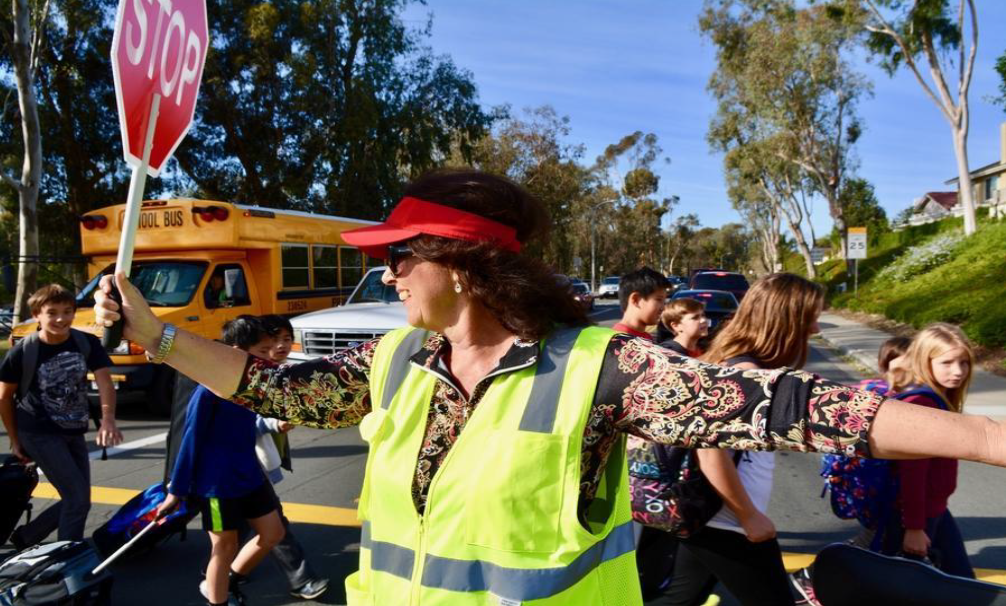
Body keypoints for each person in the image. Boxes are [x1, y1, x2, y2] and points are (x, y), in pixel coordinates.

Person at [93, 169, 1006, 606]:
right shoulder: (397, 362)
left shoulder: (602, 364)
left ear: (461, 265)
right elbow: (272, 391)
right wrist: (158, 335)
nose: (393, 276)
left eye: (403, 259)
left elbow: (792, 410)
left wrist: (987, 439)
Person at [648, 273, 822, 606]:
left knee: (681, 598)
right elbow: (711, 454)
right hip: (727, 521)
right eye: (810, 320)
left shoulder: (742, 364)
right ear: (785, 322)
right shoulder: (745, 373)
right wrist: (748, 516)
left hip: (713, 516)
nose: (816, 330)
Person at [160, 316, 286, 606]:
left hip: (250, 476)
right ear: (235, 350)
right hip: (217, 486)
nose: (267, 357)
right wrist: (176, 490)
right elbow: (189, 440)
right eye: (261, 350)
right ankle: (217, 600)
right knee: (224, 547)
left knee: (273, 533)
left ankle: (224, 584)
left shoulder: (255, 384)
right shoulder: (208, 391)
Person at [788, 334, 914, 605]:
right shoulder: (881, 398)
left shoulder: (900, 396)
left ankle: (815, 577)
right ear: (885, 366)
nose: (907, 373)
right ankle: (814, 577)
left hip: (882, 487)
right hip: (874, 488)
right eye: (901, 367)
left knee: (875, 543)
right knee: (875, 545)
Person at [0, 284, 122, 548]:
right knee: (76, 497)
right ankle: (67, 556)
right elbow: (4, 397)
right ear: (36, 315)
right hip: (38, 431)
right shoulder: (23, 351)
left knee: (78, 498)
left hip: (73, 428)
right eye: (52, 312)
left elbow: (104, 381)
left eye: (67, 312)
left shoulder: (84, 342)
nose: (60, 319)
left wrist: (108, 419)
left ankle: (27, 537)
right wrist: (14, 439)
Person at [880, 323, 976, 578]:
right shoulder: (922, 405)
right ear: (925, 361)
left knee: (962, 582)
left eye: (964, 362)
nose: (958, 371)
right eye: (947, 363)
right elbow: (912, 474)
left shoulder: (939, 401)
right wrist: (913, 527)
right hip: (914, 518)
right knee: (903, 588)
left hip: (936, 510)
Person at [249, 314, 329, 601]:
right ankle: (301, 579)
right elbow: (243, 420)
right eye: (274, 340)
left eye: (286, 338)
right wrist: (272, 424)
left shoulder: (281, 371)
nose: (282, 345)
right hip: (242, 466)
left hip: (247, 467)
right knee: (273, 525)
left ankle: (225, 575)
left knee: (233, 531)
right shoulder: (247, 375)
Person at [614, 267, 670, 340]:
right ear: (636, 300)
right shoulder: (617, 341)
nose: (663, 307)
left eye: (664, 301)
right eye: (659, 299)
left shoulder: (647, 338)